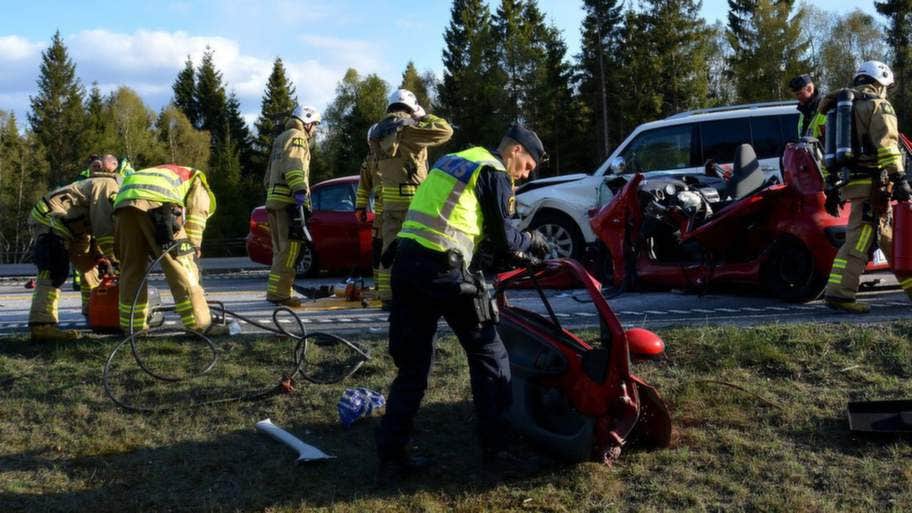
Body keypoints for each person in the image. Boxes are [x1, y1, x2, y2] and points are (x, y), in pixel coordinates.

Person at [374, 124, 551, 481]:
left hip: (406, 266)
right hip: (444, 273)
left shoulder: (452, 161)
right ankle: (498, 453)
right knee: (491, 357)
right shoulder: (494, 171)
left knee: (412, 370)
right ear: (515, 150)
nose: (525, 173)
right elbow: (505, 238)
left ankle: (391, 458)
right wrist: (533, 240)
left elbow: (458, 223)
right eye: (528, 165)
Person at [821, 61, 909, 313]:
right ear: (878, 83)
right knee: (858, 243)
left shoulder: (836, 110)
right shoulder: (878, 106)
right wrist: (900, 177)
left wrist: (832, 187)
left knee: (890, 240)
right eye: (886, 87)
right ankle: (839, 294)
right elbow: (887, 145)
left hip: (853, 183)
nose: (886, 92)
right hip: (875, 186)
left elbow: (825, 151)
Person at [113, 164, 223, 333]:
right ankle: (200, 324)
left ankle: (133, 328)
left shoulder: (165, 171)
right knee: (181, 266)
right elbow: (197, 212)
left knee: (131, 267)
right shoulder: (197, 178)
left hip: (124, 205)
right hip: (158, 204)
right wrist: (193, 244)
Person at [370, 90, 453, 309]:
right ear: (410, 107)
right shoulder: (407, 128)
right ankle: (420, 292)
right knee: (421, 247)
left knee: (389, 248)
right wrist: (424, 116)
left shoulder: (378, 132)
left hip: (389, 201)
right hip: (413, 199)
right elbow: (446, 131)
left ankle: (388, 297)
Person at [28, 156, 120, 341]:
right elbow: (103, 225)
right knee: (55, 270)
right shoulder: (108, 185)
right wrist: (114, 258)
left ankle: (93, 312)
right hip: (50, 221)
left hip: (69, 226)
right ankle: (42, 326)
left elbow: (92, 230)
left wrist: (100, 257)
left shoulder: (98, 184)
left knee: (91, 268)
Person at [263, 105, 320, 307]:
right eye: (314, 125)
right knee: (290, 250)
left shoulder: (281, 138)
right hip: (289, 202)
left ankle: (275, 292)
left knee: (280, 250)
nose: (314, 131)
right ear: (307, 122)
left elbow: (269, 173)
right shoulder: (297, 137)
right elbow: (294, 165)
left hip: (274, 200)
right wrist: (300, 192)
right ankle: (281, 295)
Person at [354, 134, 384, 300]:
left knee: (386, 250)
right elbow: (363, 187)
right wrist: (360, 207)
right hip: (382, 214)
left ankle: (386, 290)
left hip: (396, 212)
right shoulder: (370, 160)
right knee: (379, 249)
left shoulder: (394, 154)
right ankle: (383, 289)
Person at [790, 74, 827, 139]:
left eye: (799, 93)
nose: (797, 97)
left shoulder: (824, 107)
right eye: (795, 95)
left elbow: (829, 140)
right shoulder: (804, 110)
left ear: (809, 89)